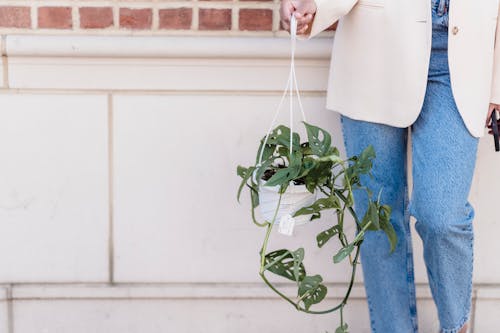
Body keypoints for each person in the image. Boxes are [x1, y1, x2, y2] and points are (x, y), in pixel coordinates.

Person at [279, 0, 500, 332]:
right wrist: (314, 5)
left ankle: (457, 327)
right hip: (377, 47)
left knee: (441, 217)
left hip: (464, 57)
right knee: (377, 216)